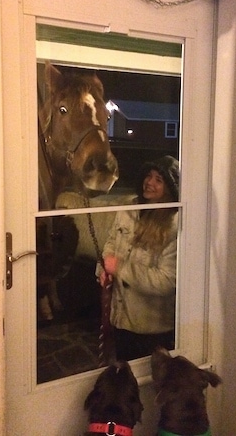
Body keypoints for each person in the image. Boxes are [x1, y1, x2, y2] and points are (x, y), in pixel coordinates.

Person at [97, 155, 179, 361]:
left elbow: (167, 280)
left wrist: (120, 269)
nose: (149, 183)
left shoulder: (174, 224)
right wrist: (104, 270)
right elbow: (110, 243)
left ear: (170, 188)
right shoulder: (128, 209)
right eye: (149, 176)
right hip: (119, 317)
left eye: (158, 180)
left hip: (151, 328)